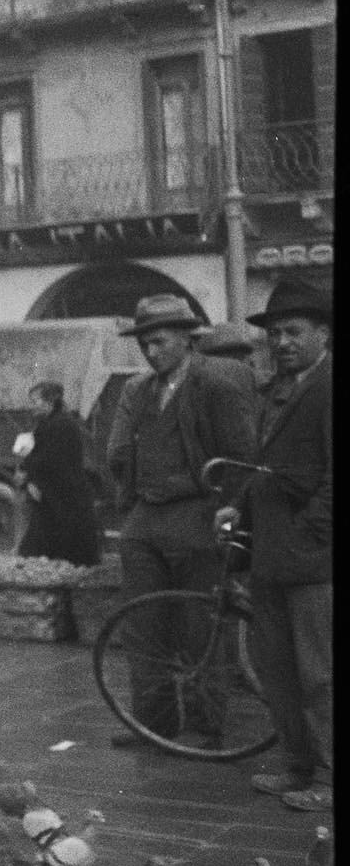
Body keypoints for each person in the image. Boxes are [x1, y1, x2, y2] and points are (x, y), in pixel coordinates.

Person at [105, 293, 258, 752]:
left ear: (189, 338)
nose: (152, 353)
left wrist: (231, 513)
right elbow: (120, 454)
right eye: (145, 344)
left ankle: (204, 726)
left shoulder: (218, 380)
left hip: (199, 513)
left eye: (161, 342)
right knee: (142, 623)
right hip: (147, 517)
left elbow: (242, 457)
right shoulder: (139, 390)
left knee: (200, 625)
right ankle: (152, 722)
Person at [218, 278, 332, 811]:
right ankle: (297, 767)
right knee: (278, 671)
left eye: (295, 331)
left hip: (311, 562)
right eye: (276, 333)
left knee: (319, 674)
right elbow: (265, 466)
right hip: (271, 556)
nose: (283, 341)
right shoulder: (276, 390)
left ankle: (329, 779)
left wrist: (311, 534)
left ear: (322, 333)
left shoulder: (328, 385)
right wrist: (237, 509)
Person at [14, 381, 102, 566]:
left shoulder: (60, 425)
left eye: (35, 401)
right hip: (55, 496)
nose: (32, 406)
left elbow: (50, 460)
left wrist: (30, 478)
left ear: (50, 401)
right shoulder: (51, 423)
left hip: (62, 498)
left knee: (54, 552)